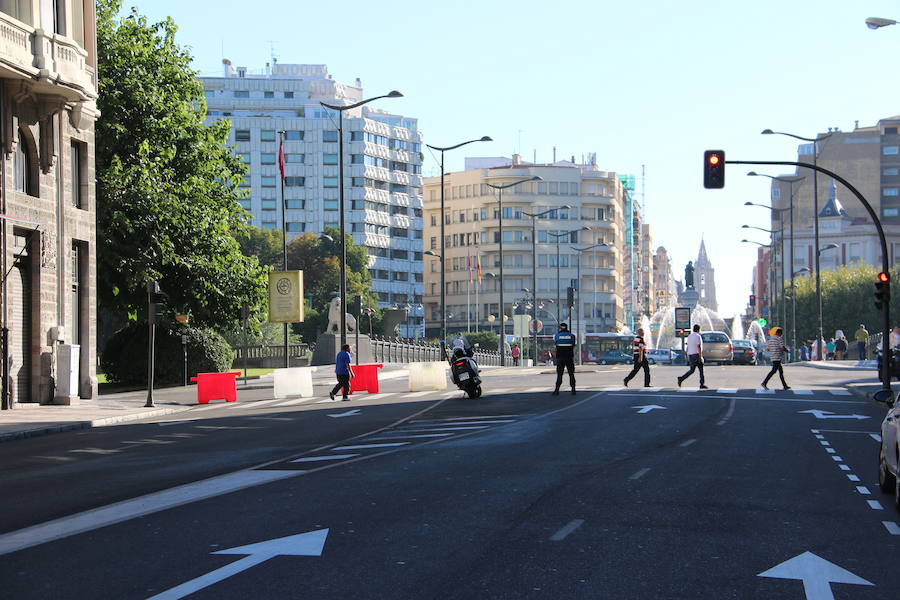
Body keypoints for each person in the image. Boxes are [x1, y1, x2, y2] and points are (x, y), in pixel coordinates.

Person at [677, 324, 707, 389]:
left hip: (691, 355)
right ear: (698, 329)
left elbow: (688, 345)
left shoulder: (689, 336)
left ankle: (681, 378)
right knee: (701, 370)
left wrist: (688, 354)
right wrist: (700, 356)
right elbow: (698, 346)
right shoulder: (698, 336)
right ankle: (702, 384)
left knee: (692, 370)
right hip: (696, 355)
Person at [552, 322, 576, 395]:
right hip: (569, 357)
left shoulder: (557, 336)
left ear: (560, 328)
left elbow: (556, 344)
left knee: (559, 375)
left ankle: (557, 390)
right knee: (571, 374)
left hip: (560, 358)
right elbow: (573, 345)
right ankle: (573, 389)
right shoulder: (572, 336)